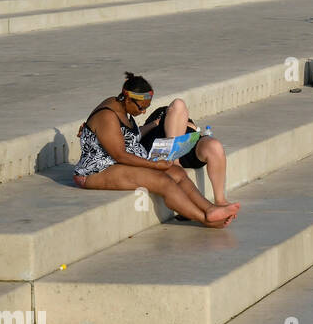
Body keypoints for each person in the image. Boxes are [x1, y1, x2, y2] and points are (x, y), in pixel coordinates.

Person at [72, 72, 240, 227]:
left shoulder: (121, 104)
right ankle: (205, 219)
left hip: (118, 163)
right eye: (141, 107)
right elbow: (120, 155)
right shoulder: (108, 116)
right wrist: (154, 165)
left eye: (147, 106)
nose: (144, 111)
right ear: (128, 99)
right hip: (98, 171)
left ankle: (210, 208)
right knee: (163, 181)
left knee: (178, 173)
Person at [138, 98, 230, 207]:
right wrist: (156, 123)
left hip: (188, 148)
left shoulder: (184, 120)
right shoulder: (156, 123)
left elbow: (196, 130)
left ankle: (220, 201)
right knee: (178, 104)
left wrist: (188, 124)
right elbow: (136, 135)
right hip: (163, 151)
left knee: (214, 146)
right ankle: (174, 159)